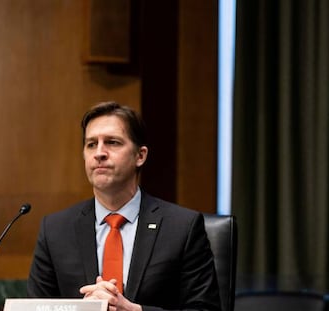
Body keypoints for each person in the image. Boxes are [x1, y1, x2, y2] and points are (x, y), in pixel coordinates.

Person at [27, 101, 221, 311]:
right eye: (91, 144)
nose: (99, 153)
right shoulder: (55, 230)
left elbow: (205, 309)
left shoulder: (182, 227)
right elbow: (35, 307)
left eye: (112, 142)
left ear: (140, 156)